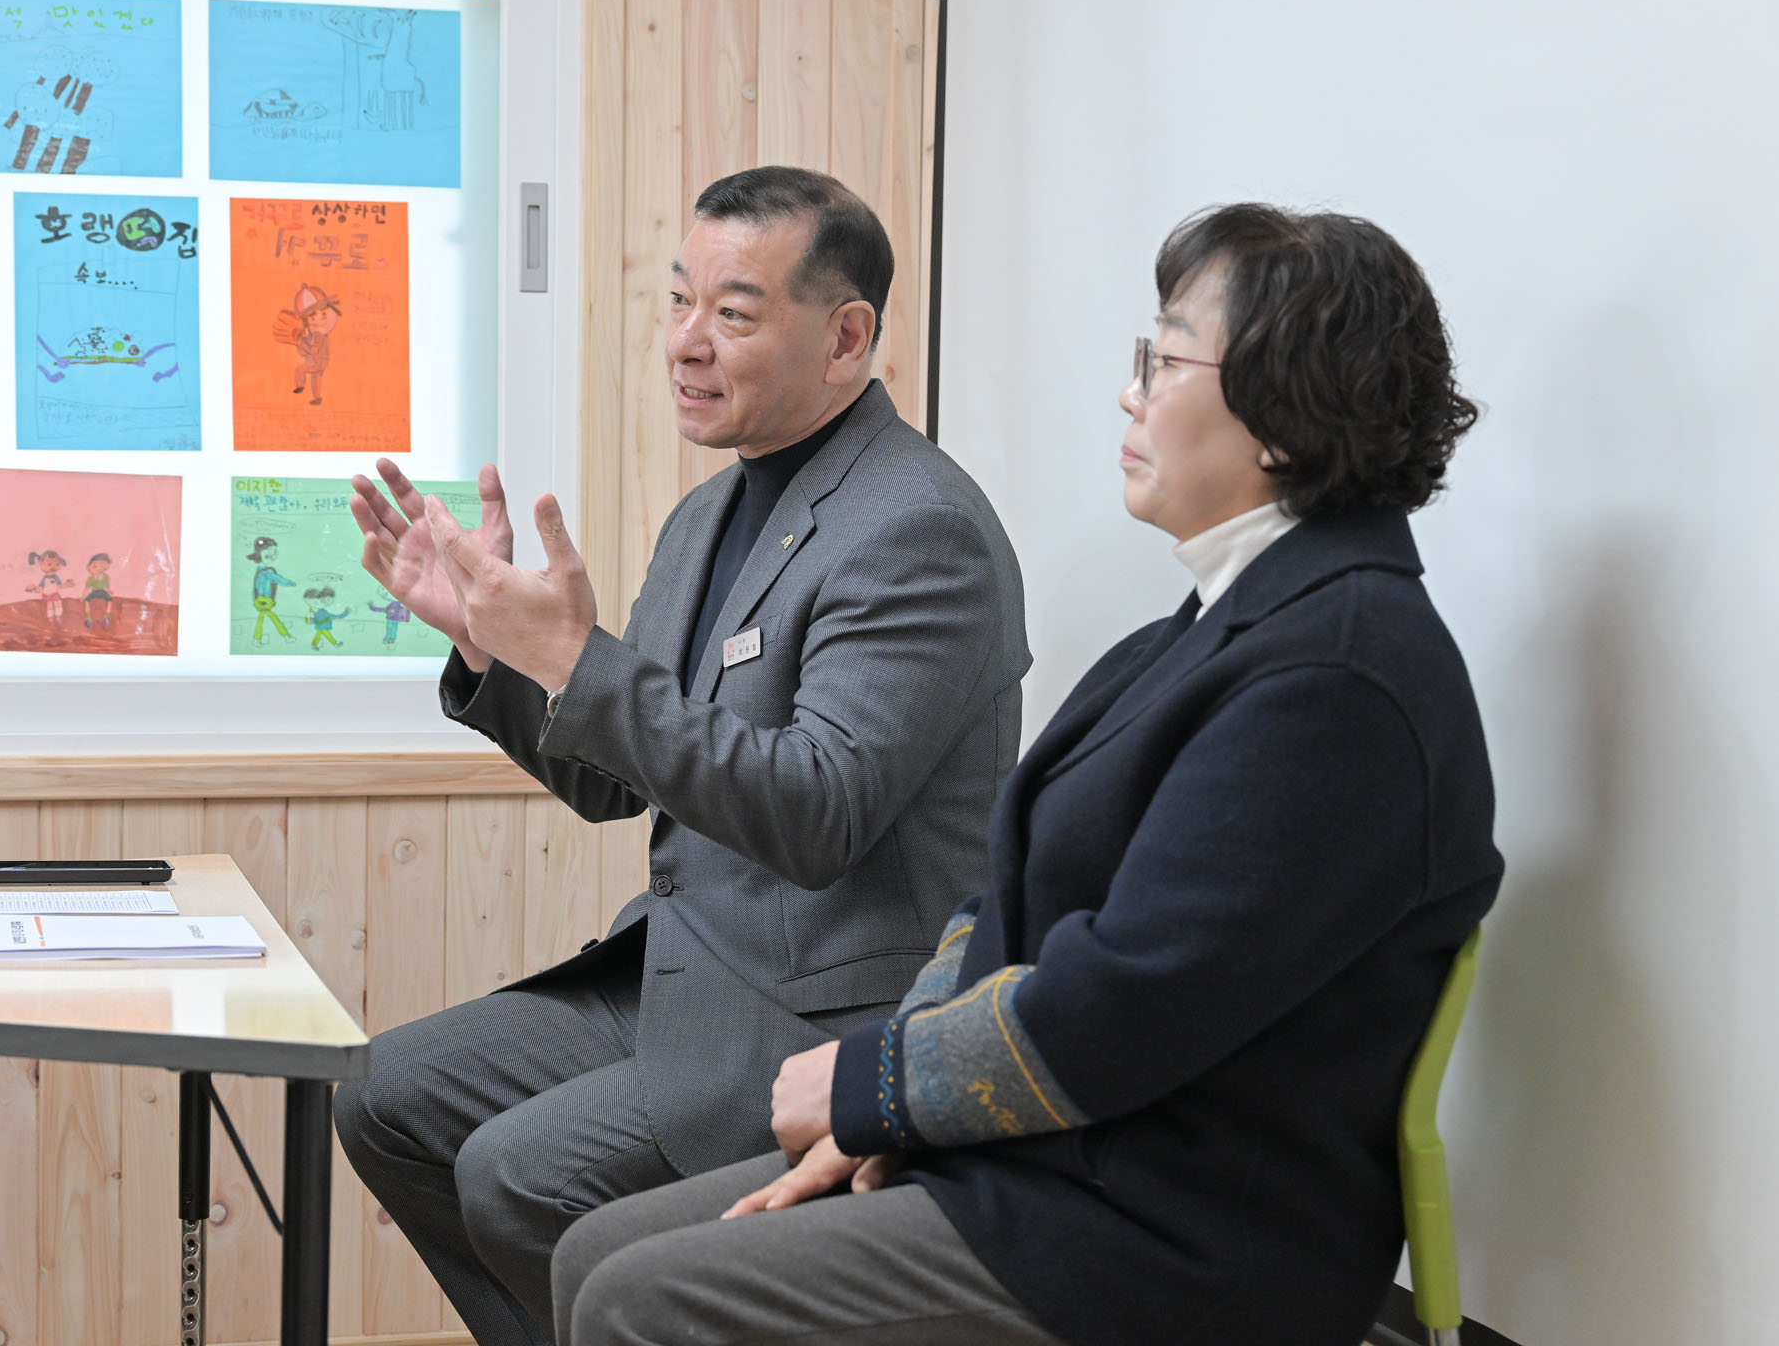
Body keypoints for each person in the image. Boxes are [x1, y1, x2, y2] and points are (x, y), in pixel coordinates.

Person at [550, 203, 1504, 1346]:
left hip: (1167, 1231)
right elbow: (993, 906)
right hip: (1054, 1157)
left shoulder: (1336, 675)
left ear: (1289, 414)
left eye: (1165, 359)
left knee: (639, 1296)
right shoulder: (1208, 631)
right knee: (596, 1251)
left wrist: (876, 1087)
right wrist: (890, 1103)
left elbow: (1129, 1005)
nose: (1130, 393)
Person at [333, 166, 1032, 1346]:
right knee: (386, 1095)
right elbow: (616, 777)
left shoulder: (919, 527)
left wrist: (576, 657)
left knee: (517, 1172)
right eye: (678, 300)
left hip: (819, 1010)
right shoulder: (711, 513)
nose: (686, 342)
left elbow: (816, 811)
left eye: (735, 313)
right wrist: (501, 651)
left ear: (846, 337)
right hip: (682, 967)